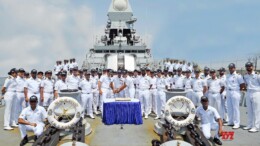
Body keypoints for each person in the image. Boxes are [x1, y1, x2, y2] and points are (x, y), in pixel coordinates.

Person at [224, 63, 245, 129]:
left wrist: (238, 91)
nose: (231, 69)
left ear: (235, 68)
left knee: (235, 108)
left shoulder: (238, 75)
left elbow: (242, 85)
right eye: (230, 68)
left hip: (235, 92)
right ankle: (230, 121)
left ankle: (236, 123)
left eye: (232, 68)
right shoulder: (227, 75)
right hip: (228, 92)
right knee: (229, 107)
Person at [243, 62, 260, 132]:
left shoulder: (257, 75)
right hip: (248, 93)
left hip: (256, 93)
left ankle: (256, 127)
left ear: (252, 67)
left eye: (249, 66)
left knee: (256, 110)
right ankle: (249, 125)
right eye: (247, 66)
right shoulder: (246, 76)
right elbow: (245, 84)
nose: (248, 67)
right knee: (249, 110)